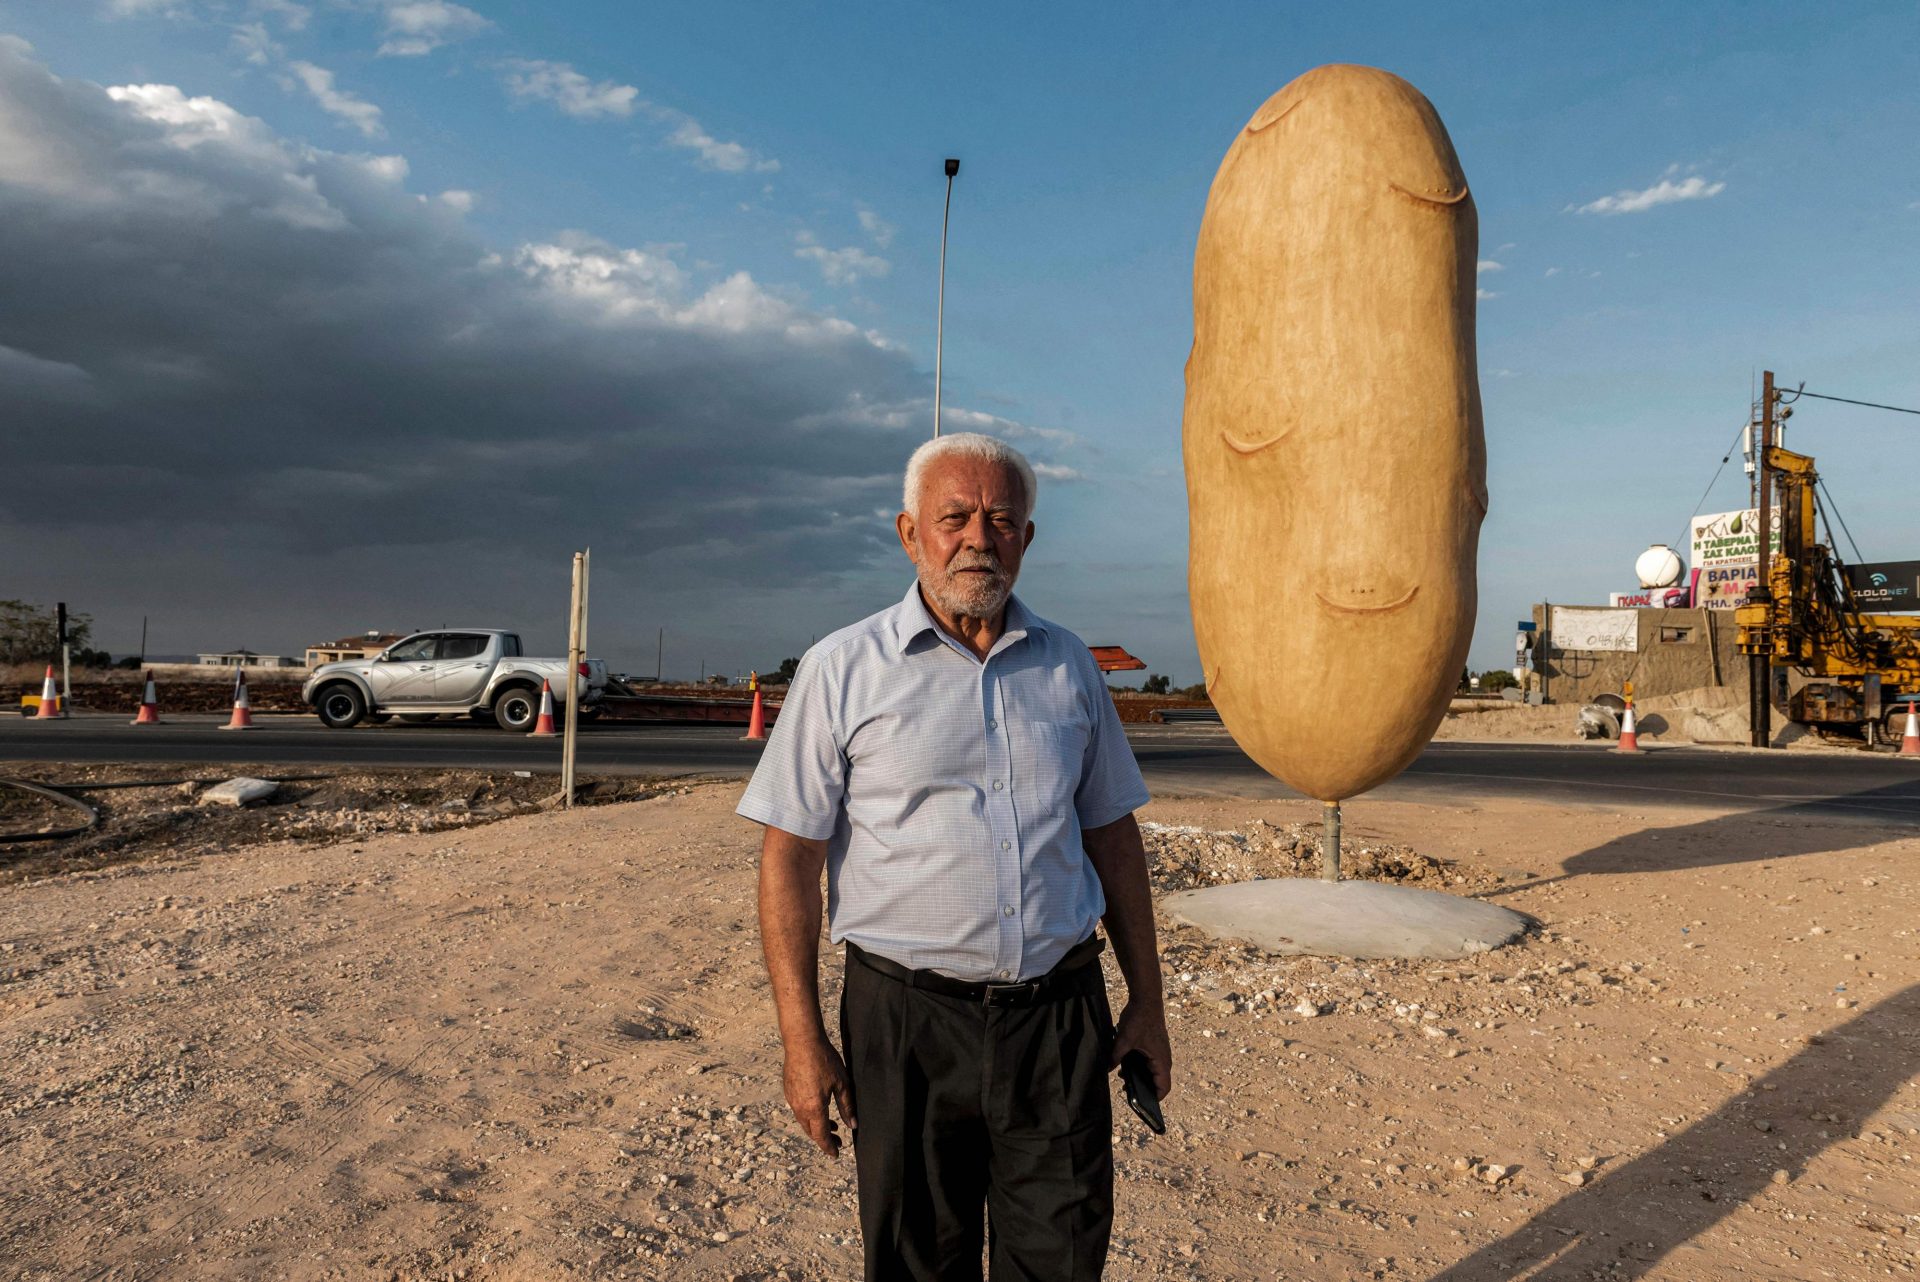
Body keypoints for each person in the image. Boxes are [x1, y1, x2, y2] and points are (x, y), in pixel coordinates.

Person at [739, 431, 1172, 1282]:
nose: (979, 538)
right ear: (910, 534)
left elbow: (1112, 837)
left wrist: (1147, 1001)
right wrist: (801, 1036)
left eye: (1002, 519)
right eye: (955, 518)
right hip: (906, 1024)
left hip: (1057, 1021)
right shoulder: (842, 670)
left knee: (1062, 1256)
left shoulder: (1071, 669)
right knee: (916, 1262)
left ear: (1028, 539)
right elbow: (787, 859)